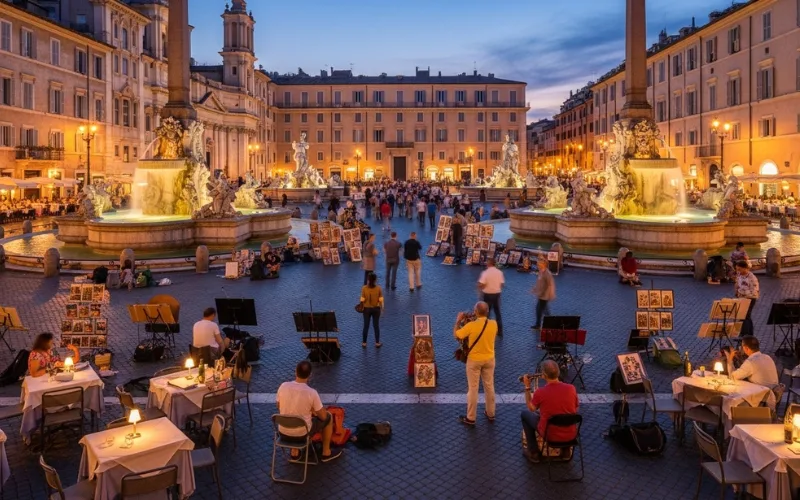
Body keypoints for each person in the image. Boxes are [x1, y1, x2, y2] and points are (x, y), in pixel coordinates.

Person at [276, 361, 343, 462]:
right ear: (310, 375)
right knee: (328, 417)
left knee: (291, 415)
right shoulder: (311, 393)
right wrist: (313, 410)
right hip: (302, 434)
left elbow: (279, 406)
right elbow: (323, 417)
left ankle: (295, 453)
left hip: (283, 433)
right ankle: (326, 452)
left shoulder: (283, 386)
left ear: (295, 372)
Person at [521, 360, 579, 462]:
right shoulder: (571, 388)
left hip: (550, 434)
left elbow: (531, 408)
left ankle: (534, 452)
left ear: (543, 375)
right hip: (571, 434)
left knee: (525, 415)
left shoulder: (541, 392)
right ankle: (566, 451)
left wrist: (527, 387)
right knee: (564, 416)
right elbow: (575, 408)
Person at [454, 302, 498, 427]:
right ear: (488, 311)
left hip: (474, 361)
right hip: (489, 359)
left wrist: (458, 321)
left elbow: (457, 334)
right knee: (489, 387)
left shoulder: (472, 326)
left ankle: (471, 417)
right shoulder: (494, 324)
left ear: (476, 312)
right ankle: (491, 413)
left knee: (473, 389)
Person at [478, 258, 505, 336]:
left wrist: (479, 287)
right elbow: (502, 284)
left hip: (487, 295)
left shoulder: (485, 273)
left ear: (488, 264)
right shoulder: (499, 272)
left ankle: (485, 330)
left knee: (486, 313)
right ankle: (500, 331)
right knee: (497, 312)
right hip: (497, 294)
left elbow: (482, 284)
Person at [733, 260, 759, 336]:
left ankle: (746, 333)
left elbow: (754, 291)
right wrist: (736, 291)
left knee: (745, 315)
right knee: (743, 315)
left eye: (739, 269)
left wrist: (745, 296)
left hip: (750, 298)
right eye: (737, 269)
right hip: (741, 298)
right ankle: (747, 333)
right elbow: (737, 283)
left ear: (745, 268)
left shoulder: (752, 278)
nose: (738, 271)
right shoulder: (739, 275)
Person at [360, 273, 384, 348]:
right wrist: (382, 308)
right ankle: (377, 343)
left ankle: (364, 343)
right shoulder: (378, 288)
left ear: (368, 280)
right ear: (375, 280)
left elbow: (362, 299)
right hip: (376, 309)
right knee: (376, 326)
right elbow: (380, 300)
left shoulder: (364, 288)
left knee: (366, 326)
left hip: (366, 309)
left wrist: (361, 305)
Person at [531, 257, 555, 330]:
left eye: (539, 263)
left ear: (543, 265)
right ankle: (542, 324)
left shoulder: (547, 273)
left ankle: (545, 325)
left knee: (541, 310)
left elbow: (549, 284)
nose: (537, 265)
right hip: (541, 295)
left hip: (544, 296)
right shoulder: (541, 272)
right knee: (542, 310)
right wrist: (535, 289)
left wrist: (545, 293)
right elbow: (539, 282)